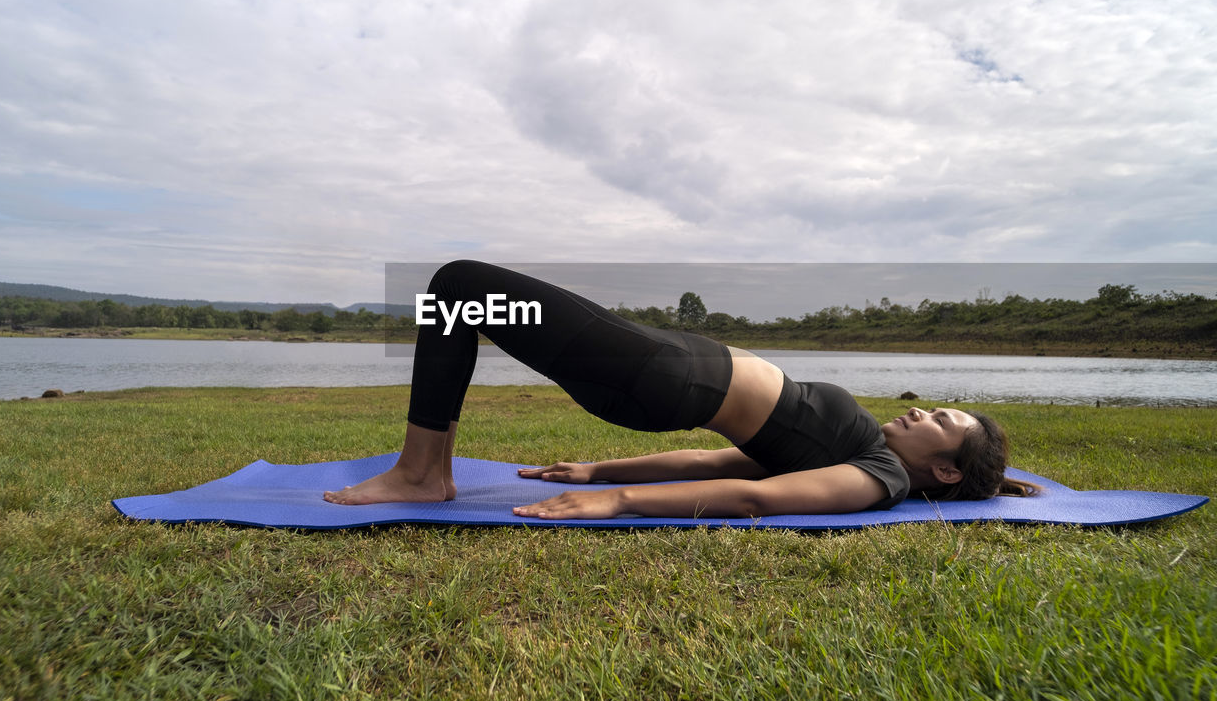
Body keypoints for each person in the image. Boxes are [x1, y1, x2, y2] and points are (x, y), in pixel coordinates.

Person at [323, 260, 1037, 518]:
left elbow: (756, 498)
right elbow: (716, 463)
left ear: (944, 466)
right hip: (658, 363)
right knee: (462, 296)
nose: (921, 408)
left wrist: (620, 499)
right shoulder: (856, 449)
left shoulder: (877, 476)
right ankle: (427, 469)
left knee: (458, 286)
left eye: (941, 418)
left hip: (659, 374)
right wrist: (601, 467)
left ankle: (421, 472)